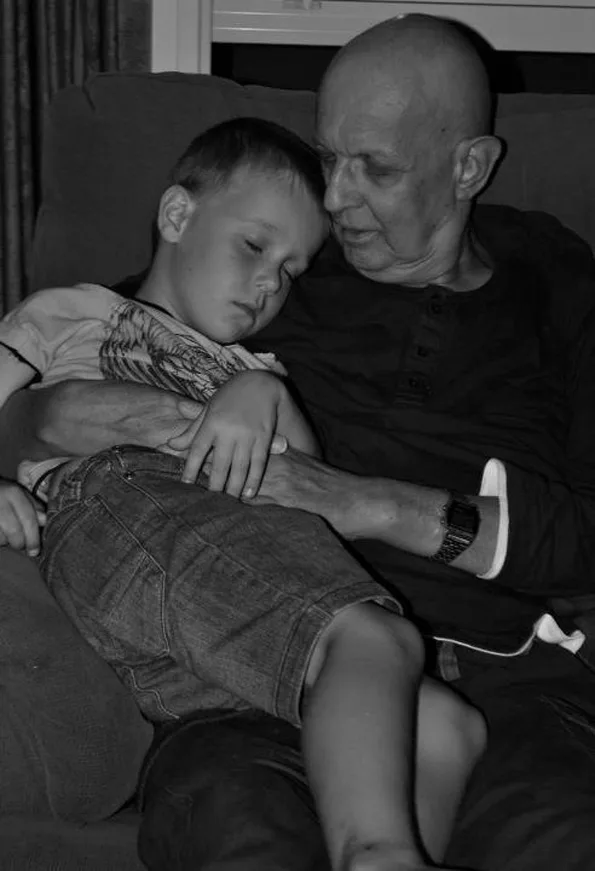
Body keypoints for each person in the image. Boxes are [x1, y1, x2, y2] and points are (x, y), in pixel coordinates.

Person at [2, 12, 595, 871]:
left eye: (375, 168)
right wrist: (42, 426)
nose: (336, 198)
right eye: (327, 158)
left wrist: (368, 504)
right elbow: (86, 364)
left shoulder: (557, 280)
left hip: (509, 679)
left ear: (467, 166)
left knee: (560, 838)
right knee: (243, 832)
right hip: (246, 679)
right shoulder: (267, 262)